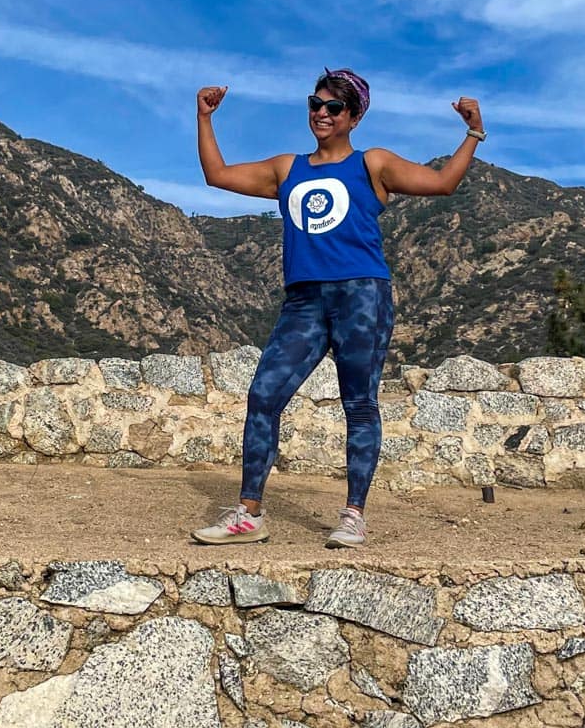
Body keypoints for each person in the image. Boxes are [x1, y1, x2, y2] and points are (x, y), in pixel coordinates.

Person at [192, 68, 486, 548]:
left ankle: (353, 515)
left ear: (354, 116)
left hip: (362, 295)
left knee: (360, 404)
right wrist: (204, 118)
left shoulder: (374, 164)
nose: (321, 114)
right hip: (303, 299)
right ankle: (248, 514)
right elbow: (217, 175)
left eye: (333, 107)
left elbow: (443, 183)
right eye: (315, 104)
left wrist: (472, 133)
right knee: (263, 396)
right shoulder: (288, 169)